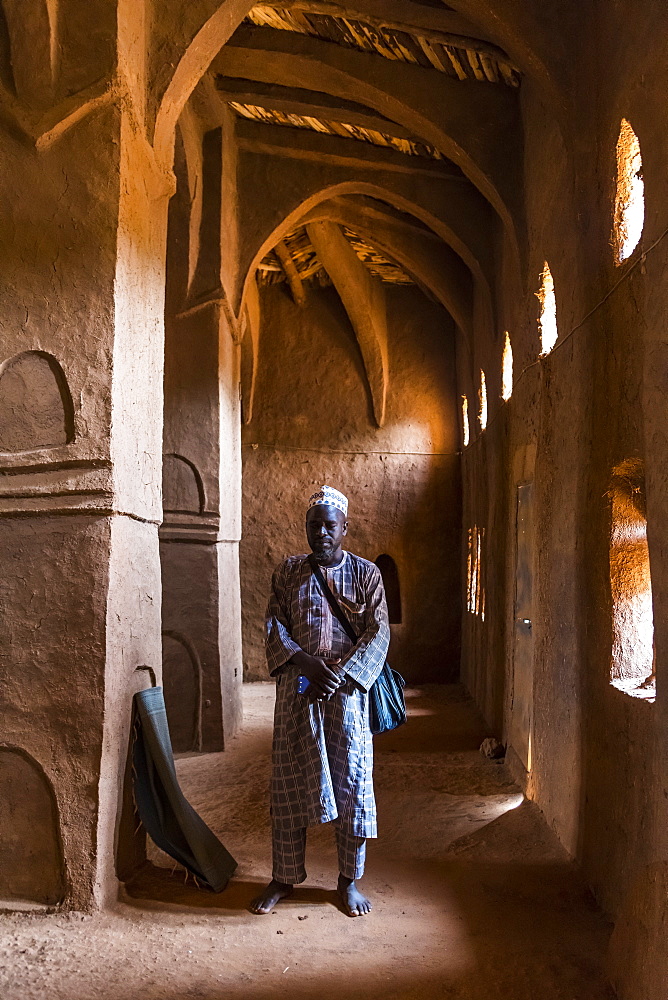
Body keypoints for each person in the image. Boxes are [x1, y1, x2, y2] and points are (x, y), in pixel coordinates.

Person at [250, 485, 390, 917]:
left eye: (331, 525)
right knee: (290, 781)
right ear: (306, 528)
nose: (322, 532)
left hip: (346, 698)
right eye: (315, 525)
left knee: (352, 785)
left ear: (345, 528)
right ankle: (284, 877)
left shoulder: (366, 574)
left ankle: (348, 882)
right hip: (298, 692)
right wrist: (306, 663)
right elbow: (275, 625)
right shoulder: (289, 572)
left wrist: (341, 674)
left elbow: (378, 632)